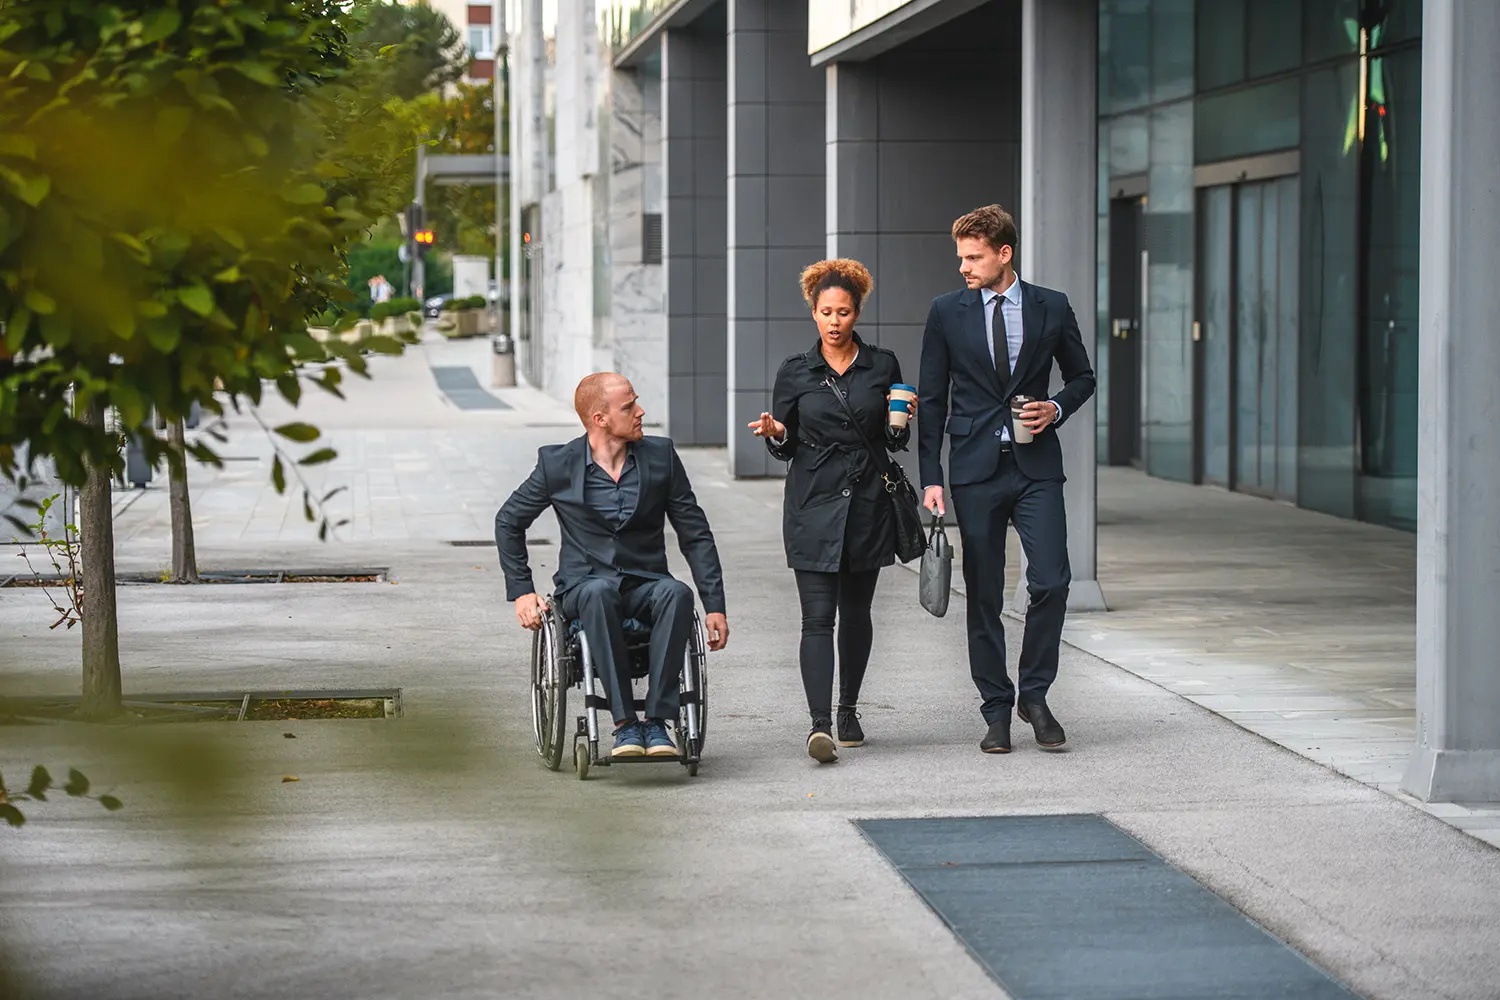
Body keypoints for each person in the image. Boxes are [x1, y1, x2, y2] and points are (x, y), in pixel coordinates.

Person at [916, 205, 1095, 755]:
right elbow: (932, 399)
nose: (964, 267)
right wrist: (931, 475)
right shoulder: (947, 311)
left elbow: (1083, 376)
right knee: (985, 595)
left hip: (1037, 466)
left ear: (1004, 253)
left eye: (974, 257)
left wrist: (1056, 409)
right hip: (974, 471)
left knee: (1052, 581)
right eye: (961, 258)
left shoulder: (1051, 306)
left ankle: (1034, 695)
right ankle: (995, 708)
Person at [497, 373, 730, 758]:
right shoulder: (557, 463)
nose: (640, 412)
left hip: (646, 584)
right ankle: (624, 725)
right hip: (583, 587)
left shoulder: (661, 457)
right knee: (598, 590)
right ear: (600, 418)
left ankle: (656, 723)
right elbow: (509, 521)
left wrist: (715, 604)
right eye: (629, 407)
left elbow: (695, 533)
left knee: (677, 593)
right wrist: (522, 591)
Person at [748, 259, 912, 764]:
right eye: (826, 312)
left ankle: (848, 709)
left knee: (857, 613)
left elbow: (891, 439)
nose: (835, 321)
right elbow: (787, 442)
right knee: (816, 618)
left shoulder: (882, 365)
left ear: (857, 312)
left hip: (867, 503)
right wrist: (777, 434)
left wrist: (900, 424)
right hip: (812, 503)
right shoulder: (795, 371)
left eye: (844, 312)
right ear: (813, 314)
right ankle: (819, 725)